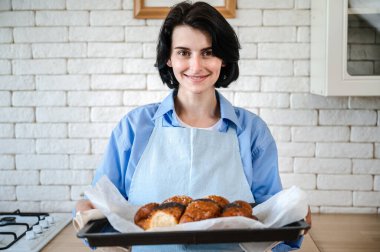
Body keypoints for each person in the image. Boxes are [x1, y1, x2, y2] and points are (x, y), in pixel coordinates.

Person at [76, 1, 311, 251]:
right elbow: (101, 208)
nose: (196, 66)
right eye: (183, 52)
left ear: (223, 58)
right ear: (168, 58)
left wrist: (293, 218)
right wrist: (84, 210)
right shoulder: (134, 128)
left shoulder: (252, 132)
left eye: (208, 52)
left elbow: (271, 218)